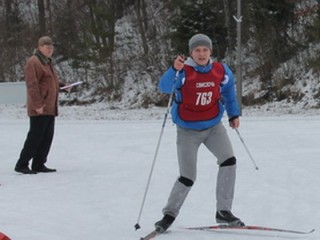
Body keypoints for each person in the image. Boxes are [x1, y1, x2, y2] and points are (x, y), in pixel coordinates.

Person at [154, 33, 244, 233]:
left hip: (213, 127)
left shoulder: (221, 70)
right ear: (191, 53)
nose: (201, 54)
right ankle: (169, 215)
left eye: (205, 50)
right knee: (187, 176)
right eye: (197, 50)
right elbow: (164, 87)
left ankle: (223, 211)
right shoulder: (183, 71)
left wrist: (233, 114)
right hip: (187, 130)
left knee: (228, 160)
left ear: (210, 51)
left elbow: (229, 91)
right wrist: (173, 69)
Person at [14, 36, 71, 174]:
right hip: (39, 107)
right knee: (35, 137)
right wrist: (37, 104)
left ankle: (39, 164)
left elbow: (49, 82)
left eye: (52, 48)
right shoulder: (33, 62)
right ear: (40, 47)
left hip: (50, 106)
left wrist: (63, 86)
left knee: (47, 137)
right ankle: (22, 164)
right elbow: (32, 85)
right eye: (47, 47)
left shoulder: (47, 62)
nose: (50, 50)